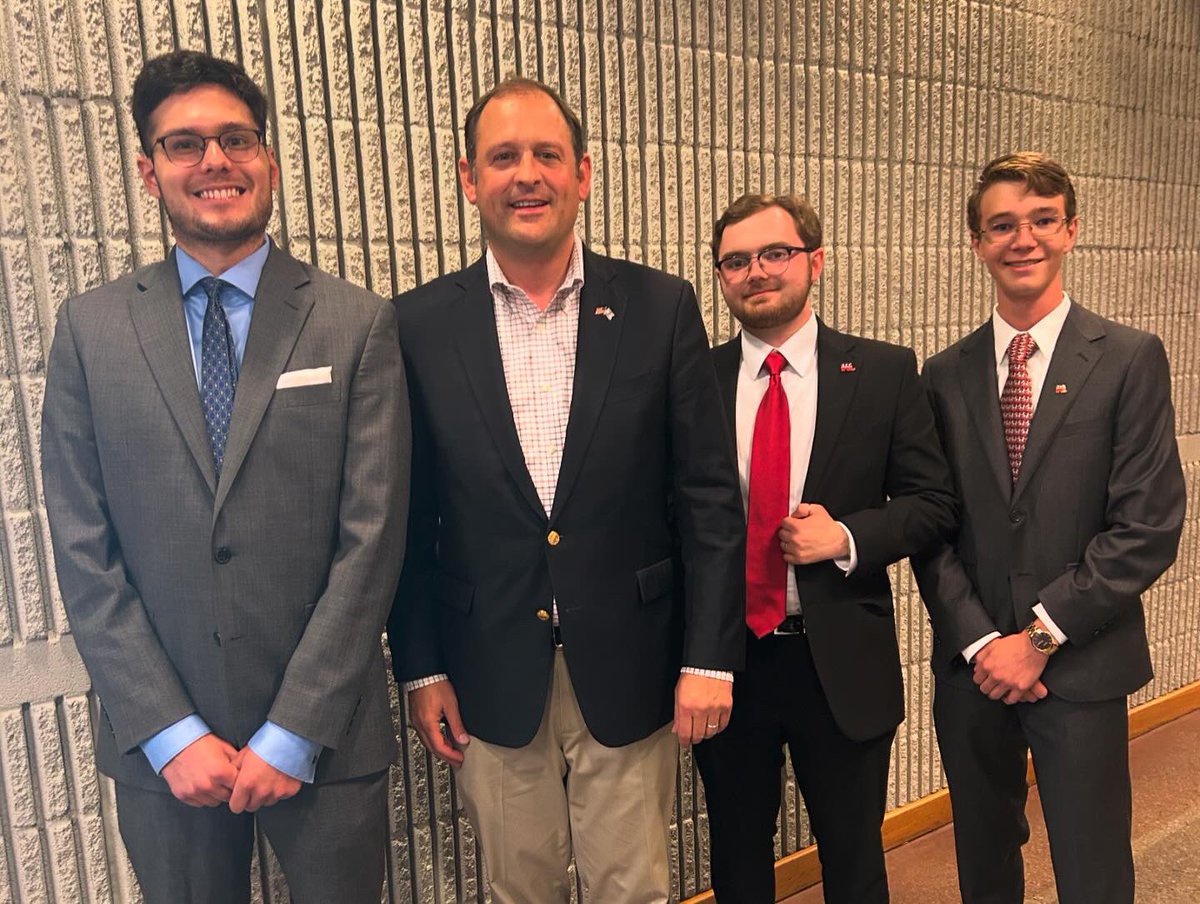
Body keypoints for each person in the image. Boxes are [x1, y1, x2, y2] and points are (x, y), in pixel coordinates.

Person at [40, 50, 408, 903]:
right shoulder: (91, 330)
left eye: (236, 139)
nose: (214, 162)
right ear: (150, 169)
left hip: (329, 735)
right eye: (184, 144)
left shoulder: (356, 323)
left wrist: (295, 730)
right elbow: (82, 546)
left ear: (269, 159)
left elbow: (374, 538)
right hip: (164, 749)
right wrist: (169, 731)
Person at [387, 77, 745, 903]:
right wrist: (421, 667)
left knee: (634, 888)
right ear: (469, 179)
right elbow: (407, 519)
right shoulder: (416, 326)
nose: (527, 175)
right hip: (486, 670)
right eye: (503, 157)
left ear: (583, 173)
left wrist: (708, 658)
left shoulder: (660, 307)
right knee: (521, 891)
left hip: (632, 661)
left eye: (547, 154)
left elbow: (709, 502)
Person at [914, 152, 1186, 904]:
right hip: (972, 672)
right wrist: (980, 641)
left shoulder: (1130, 358)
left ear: (1071, 231)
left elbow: (1147, 524)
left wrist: (1035, 641)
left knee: (1094, 868)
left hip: (1081, 666)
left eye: (1040, 221)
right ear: (977, 242)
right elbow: (930, 526)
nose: (1021, 239)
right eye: (1001, 225)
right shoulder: (941, 375)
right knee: (984, 864)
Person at [694, 193, 958, 903]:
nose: (757, 272)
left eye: (775, 253)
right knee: (738, 857)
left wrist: (845, 536)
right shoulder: (695, 380)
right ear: (722, 276)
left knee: (853, 858)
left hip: (839, 658)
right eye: (736, 260)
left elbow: (933, 503)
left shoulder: (883, 372)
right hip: (730, 660)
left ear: (814, 260)